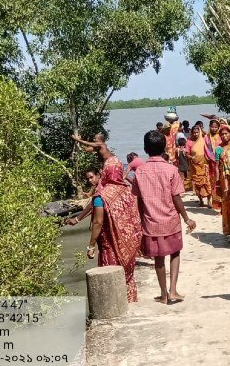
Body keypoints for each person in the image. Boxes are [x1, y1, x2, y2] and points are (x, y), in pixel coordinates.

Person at [132, 130, 197, 305]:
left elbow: (139, 200)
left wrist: (140, 220)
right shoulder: (171, 170)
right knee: (175, 253)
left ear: (145, 149)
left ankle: (163, 294)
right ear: (163, 148)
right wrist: (186, 217)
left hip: (151, 221)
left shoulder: (139, 172)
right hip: (170, 220)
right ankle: (173, 290)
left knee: (158, 257)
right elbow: (176, 197)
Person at [86, 156, 143, 302]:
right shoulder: (128, 191)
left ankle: (115, 302)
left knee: (111, 272)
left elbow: (98, 223)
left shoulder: (101, 197)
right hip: (129, 244)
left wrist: (91, 245)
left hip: (109, 245)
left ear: (104, 172)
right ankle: (130, 298)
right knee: (127, 274)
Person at [214, 124, 230, 243]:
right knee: (226, 204)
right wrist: (217, 181)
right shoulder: (218, 149)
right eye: (222, 134)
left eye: (226, 133)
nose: (224, 136)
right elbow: (216, 166)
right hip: (224, 179)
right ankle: (229, 230)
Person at [185, 125, 213, 207]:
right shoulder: (189, 142)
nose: (195, 134)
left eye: (197, 132)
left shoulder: (204, 140)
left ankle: (209, 201)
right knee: (197, 183)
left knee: (207, 182)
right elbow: (187, 154)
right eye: (194, 133)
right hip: (195, 166)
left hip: (204, 165)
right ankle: (200, 200)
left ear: (200, 132)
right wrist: (192, 157)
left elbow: (209, 150)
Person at [205, 119, 222, 210]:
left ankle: (222, 204)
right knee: (213, 183)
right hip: (212, 164)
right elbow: (206, 150)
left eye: (216, 127)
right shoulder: (206, 138)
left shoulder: (221, 136)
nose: (214, 128)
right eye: (212, 127)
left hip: (221, 163)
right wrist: (213, 158)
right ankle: (213, 202)